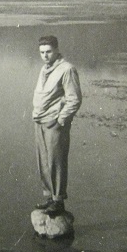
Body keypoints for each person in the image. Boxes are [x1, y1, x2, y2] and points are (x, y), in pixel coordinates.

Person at [32, 35, 82, 214]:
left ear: (57, 50)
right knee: (43, 162)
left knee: (56, 162)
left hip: (54, 123)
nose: (45, 56)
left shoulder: (67, 69)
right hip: (40, 121)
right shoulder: (44, 69)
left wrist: (61, 120)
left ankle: (58, 201)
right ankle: (49, 198)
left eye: (48, 52)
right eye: (42, 52)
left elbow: (74, 99)